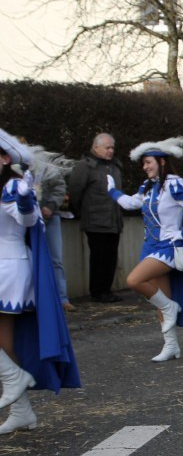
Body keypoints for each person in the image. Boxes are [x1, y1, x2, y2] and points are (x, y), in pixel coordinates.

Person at [0, 131, 80, 433]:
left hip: (10, 269)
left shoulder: (12, 187)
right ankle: (21, 409)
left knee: (5, 337)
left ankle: (15, 382)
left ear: (6, 159)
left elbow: (29, 220)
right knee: (5, 339)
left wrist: (24, 199)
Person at [107, 138, 183, 361]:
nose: (145, 167)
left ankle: (171, 308)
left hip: (168, 247)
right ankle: (171, 345)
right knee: (160, 297)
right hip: (151, 246)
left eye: (148, 162)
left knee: (134, 281)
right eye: (143, 164)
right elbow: (132, 203)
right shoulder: (149, 186)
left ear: (161, 162)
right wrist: (112, 191)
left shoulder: (174, 184)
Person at [67, 132, 125, 303]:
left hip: (113, 219)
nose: (111, 151)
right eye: (107, 147)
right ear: (96, 147)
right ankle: (98, 291)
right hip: (95, 220)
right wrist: (81, 212)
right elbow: (76, 192)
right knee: (99, 256)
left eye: (112, 147)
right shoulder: (85, 166)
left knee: (111, 256)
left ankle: (106, 290)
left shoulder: (114, 166)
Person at [27, 139, 74, 311]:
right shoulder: (16, 171)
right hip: (28, 220)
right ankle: (34, 298)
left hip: (49, 217)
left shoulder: (47, 168)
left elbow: (59, 188)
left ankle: (62, 298)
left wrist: (51, 206)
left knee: (55, 258)